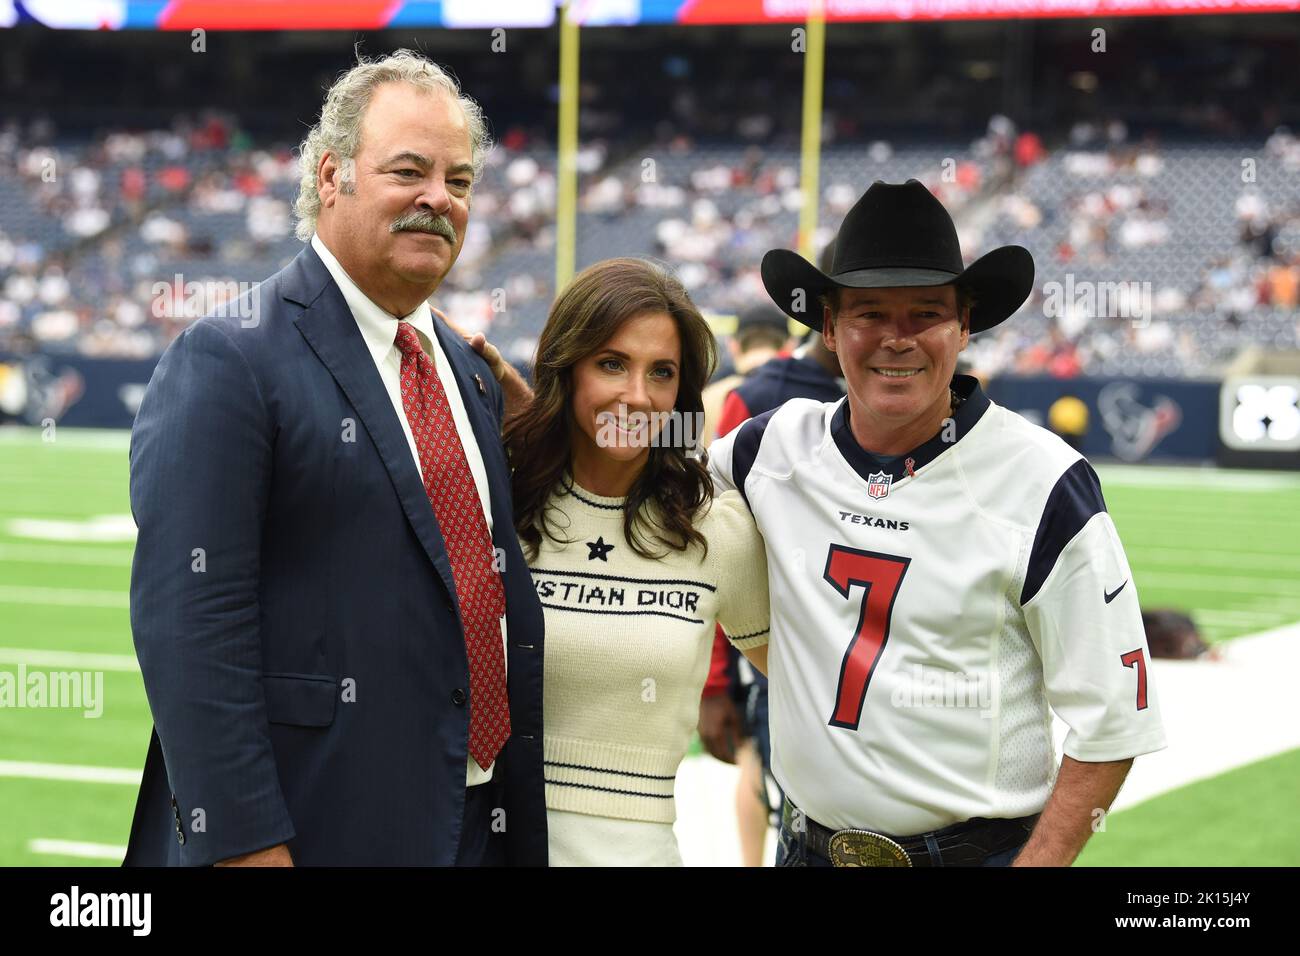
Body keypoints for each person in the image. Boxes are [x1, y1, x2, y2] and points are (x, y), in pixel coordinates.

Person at [123, 51, 546, 866]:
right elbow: (190, 631)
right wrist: (246, 848)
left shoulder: (465, 371)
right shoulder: (229, 358)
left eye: (459, 181)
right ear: (331, 176)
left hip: (474, 819)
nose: (438, 199)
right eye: (409, 171)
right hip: (320, 826)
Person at [708, 179, 1167, 867]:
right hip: (804, 847)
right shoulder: (764, 452)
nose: (897, 338)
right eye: (868, 313)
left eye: (925, 312)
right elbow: (640, 497)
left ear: (964, 325)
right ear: (828, 328)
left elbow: (1114, 722)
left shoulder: (1043, 481)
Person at [502, 257, 771, 866]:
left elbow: (812, 687)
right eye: (612, 364)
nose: (637, 396)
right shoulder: (499, 506)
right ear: (566, 368)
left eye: (662, 372)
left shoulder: (714, 531)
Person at [699, 302, 792, 448]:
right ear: (790, 345)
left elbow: (689, 460)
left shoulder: (707, 398)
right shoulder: (808, 395)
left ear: (733, 345)